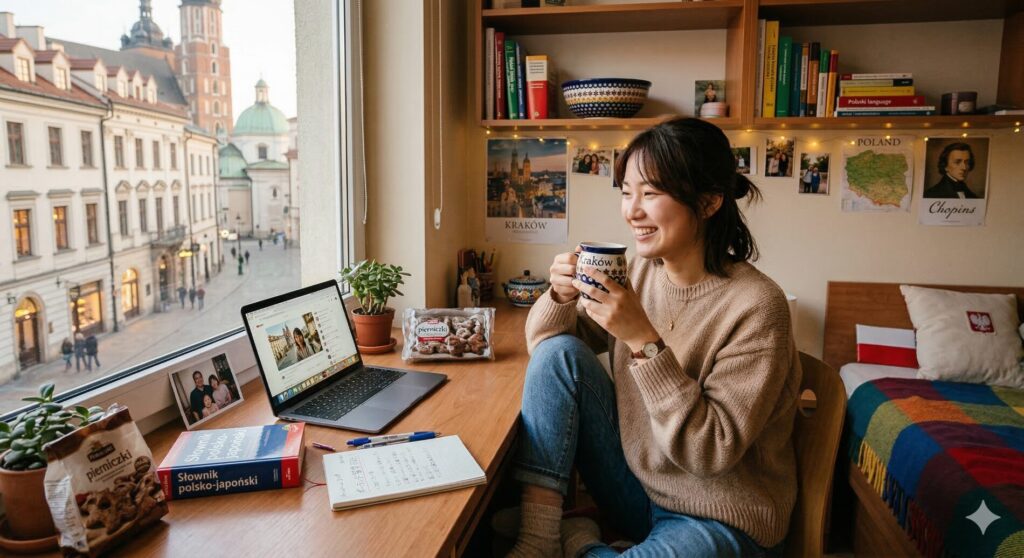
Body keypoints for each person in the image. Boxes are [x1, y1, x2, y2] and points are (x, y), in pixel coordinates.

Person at [504, 117, 800, 558]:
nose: (632, 211)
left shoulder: (758, 307)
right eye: (627, 192)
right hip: (640, 488)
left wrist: (644, 341)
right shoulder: (637, 272)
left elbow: (709, 453)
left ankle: (578, 537)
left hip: (721, 514)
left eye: (651, 193)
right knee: (562, 354)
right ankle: (540, 536)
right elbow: (547, 349)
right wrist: (560, 295)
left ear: (709, 202)